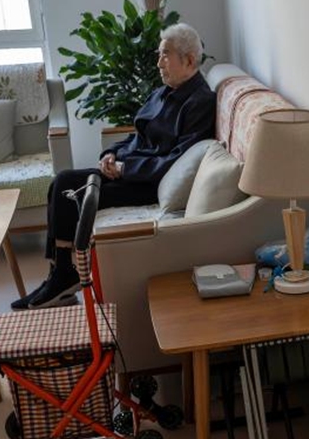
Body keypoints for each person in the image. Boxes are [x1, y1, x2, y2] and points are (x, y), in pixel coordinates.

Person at [12, 22, 216, 310]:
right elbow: (137, 135)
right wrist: (111, 153)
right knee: (62, 181)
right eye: (159, 54)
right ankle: (59, 273)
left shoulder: (200, 101)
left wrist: (124, 169)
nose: (158, 63)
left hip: (146, 184)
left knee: (71, 192)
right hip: (128, 170)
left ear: (189, 60)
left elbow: (177, 161)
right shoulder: (164, 92)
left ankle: (63, 278)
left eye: (165, 54)